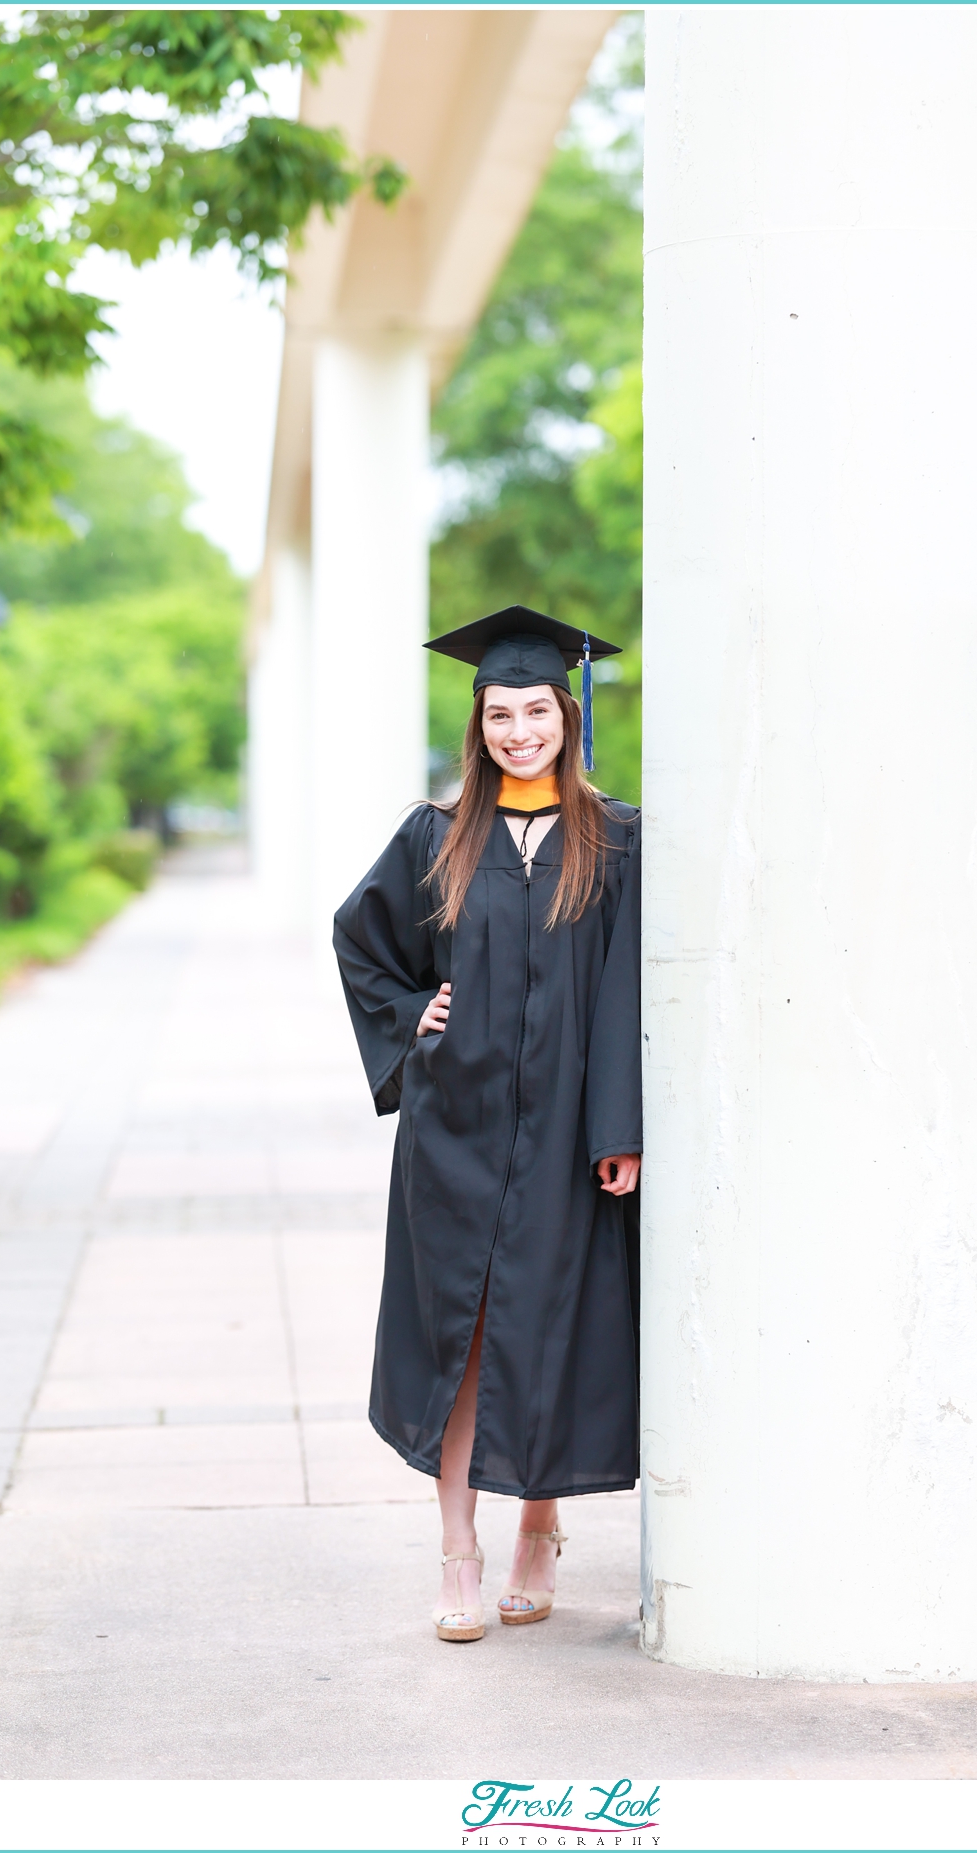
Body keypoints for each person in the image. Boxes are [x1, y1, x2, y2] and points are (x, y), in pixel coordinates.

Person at [334, 605, 642, 1642]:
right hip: (454, 1129)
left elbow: (629, 996)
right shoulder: (437, 835)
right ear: (479, 724)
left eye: (537, 710)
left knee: (546, 1332)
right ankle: (457, 1549)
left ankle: (536, 1532)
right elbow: (362, 941)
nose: (520, 731)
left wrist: (619, 1130)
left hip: (566, 1135)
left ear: (567, 713)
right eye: (500, 714)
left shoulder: (618, 840)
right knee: (457, 1340)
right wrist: (409, 1018)